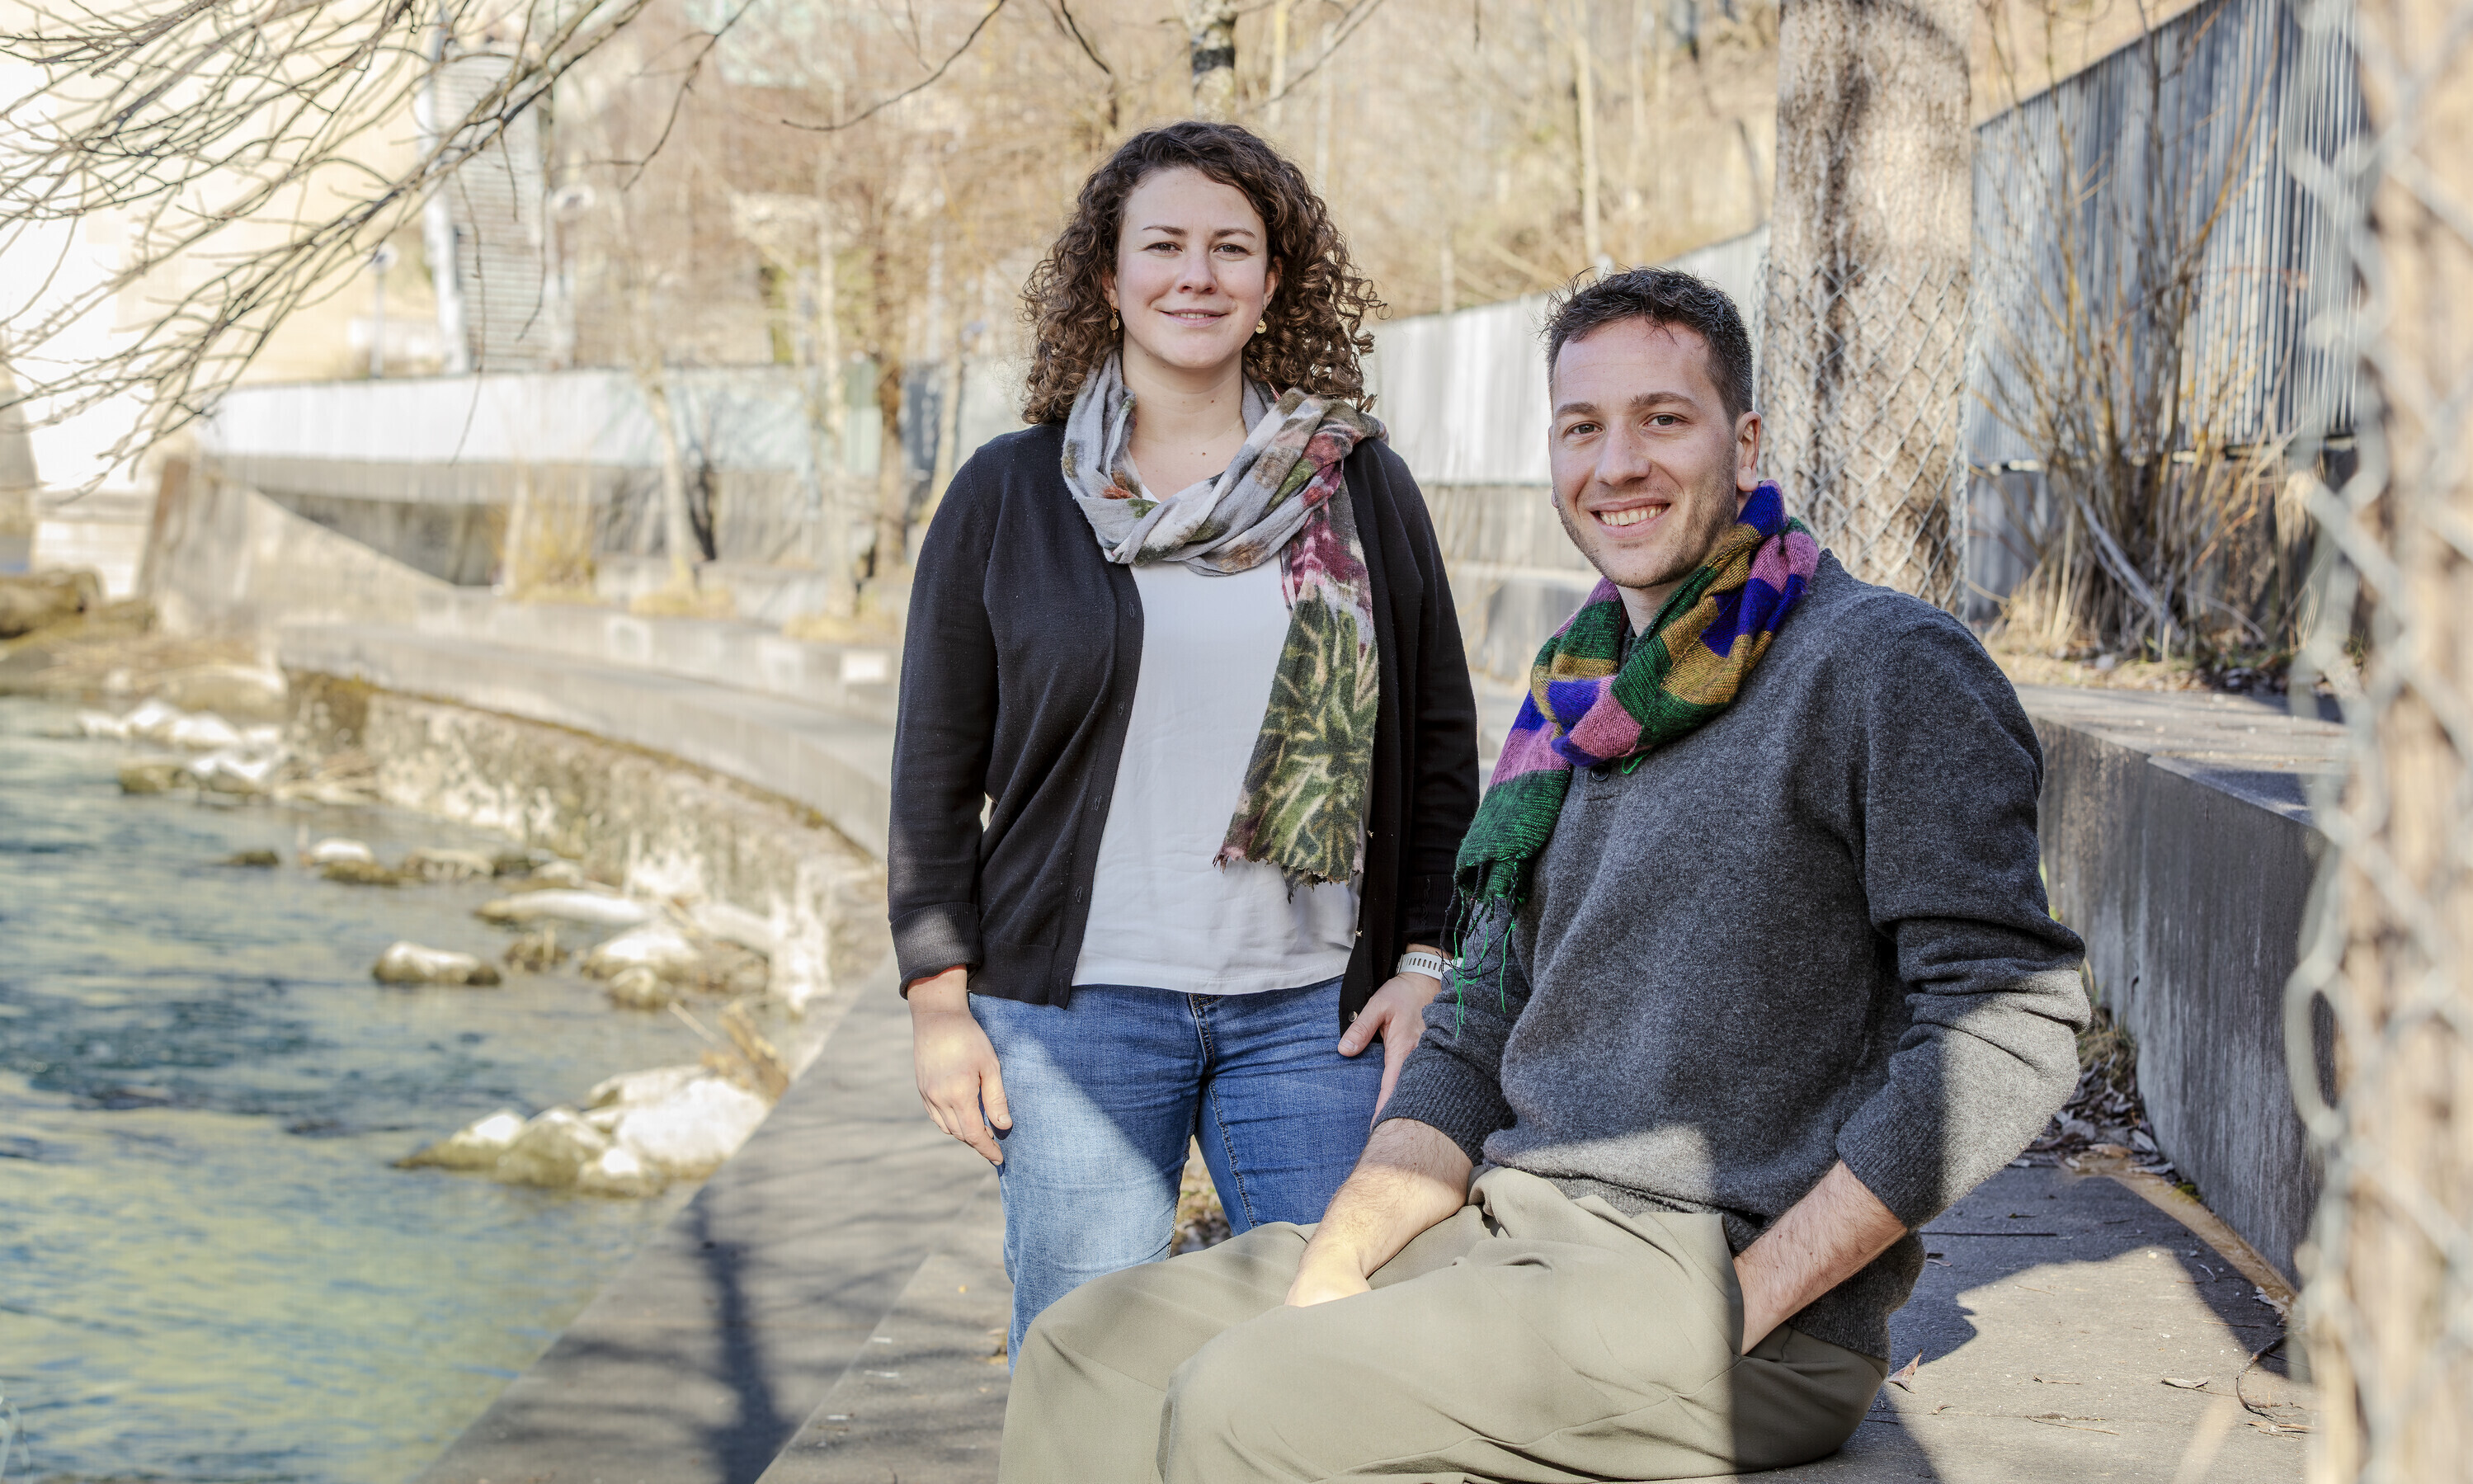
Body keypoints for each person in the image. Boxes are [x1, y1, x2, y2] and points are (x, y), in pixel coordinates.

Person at [997, 267, 2092, 1482]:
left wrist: (1751, 1297)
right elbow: (1477, 1020)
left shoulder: (1883, 667)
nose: (1615, 463)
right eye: (1581, 428)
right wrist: (1338, 1259)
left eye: (1661, 420)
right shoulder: (1577, 698)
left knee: (1250, 1400)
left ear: (1744, 442)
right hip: (1511, 1228)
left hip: (1719, 1286)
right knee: (1090, 1346)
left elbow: (2011, 1023)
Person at [889, 120, 1481, 1363]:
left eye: (1230, 247)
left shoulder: (1357, 485)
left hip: (1315, 1012)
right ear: (1108, 279)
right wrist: (938, 1002)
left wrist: (1425, 964)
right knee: (1081, 1362)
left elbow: (1435, 743)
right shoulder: (1011, 491)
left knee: (1346, 1352)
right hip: (1076, 1017)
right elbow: (935, 763)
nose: (1194, 275)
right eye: (1162, 245)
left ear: (1273, 284)